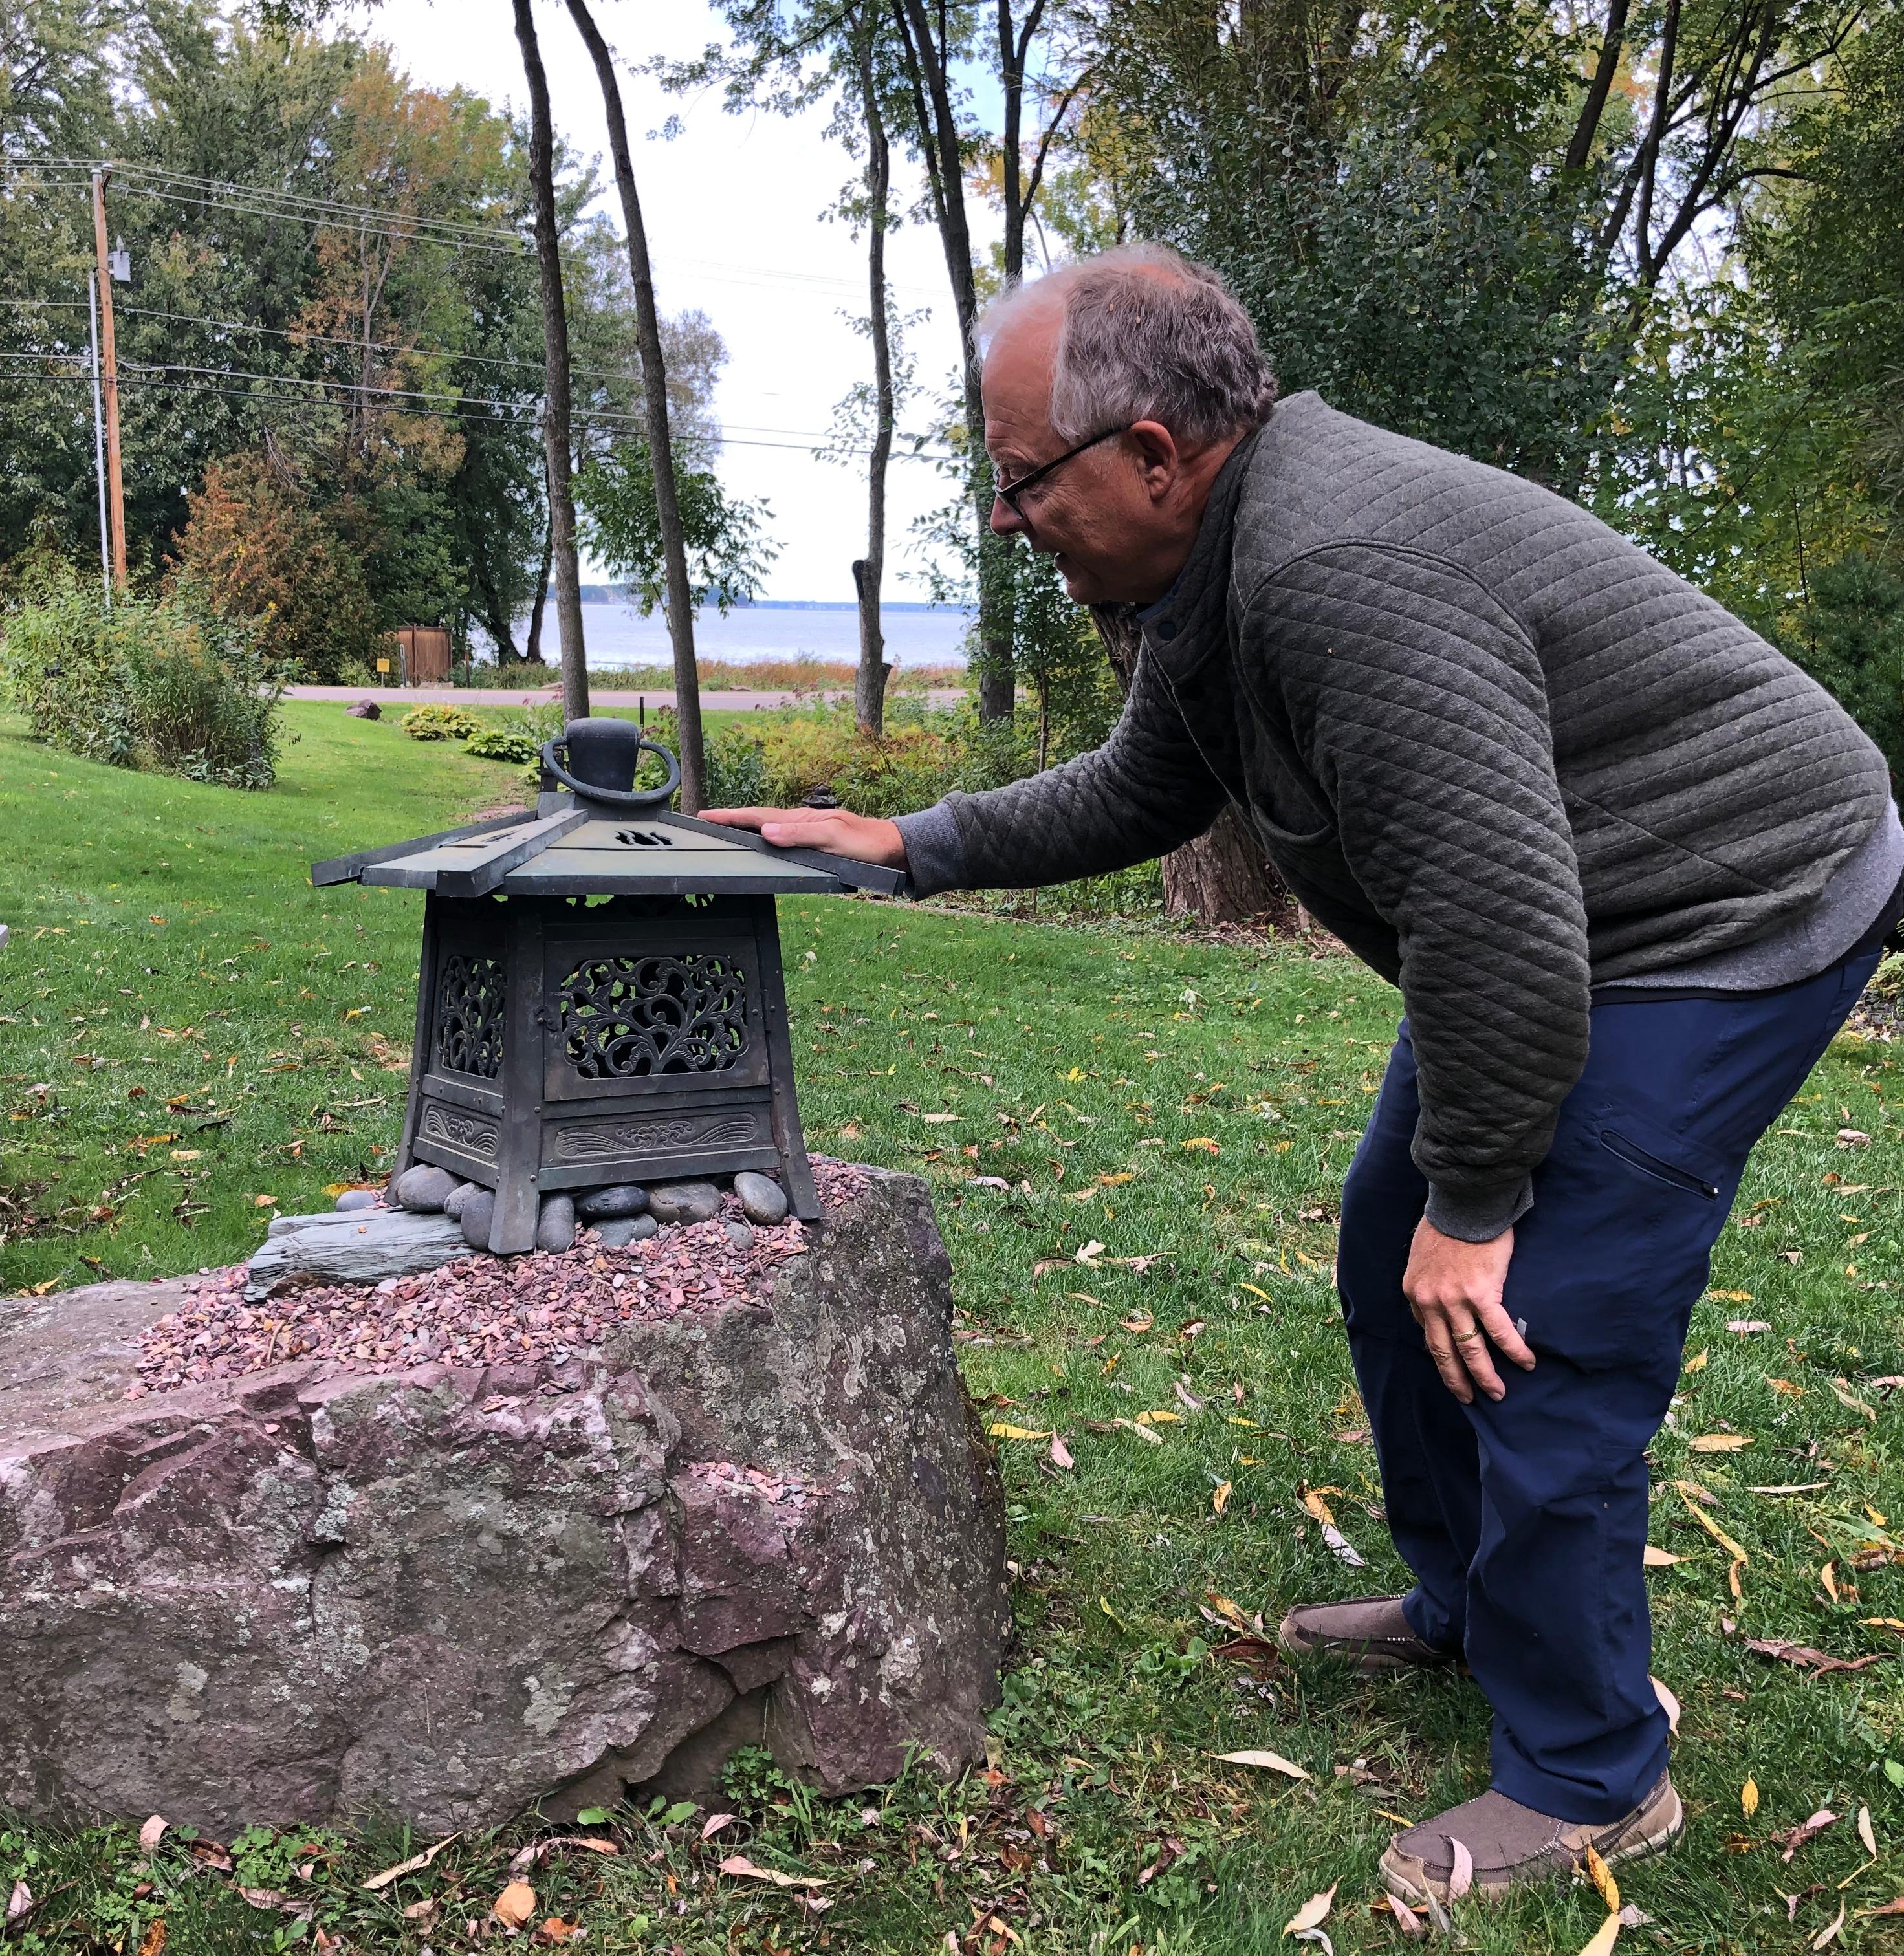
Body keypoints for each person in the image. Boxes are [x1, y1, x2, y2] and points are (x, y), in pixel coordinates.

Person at [705, 243, 1904, 1900]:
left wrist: (1483, 1204)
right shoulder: (1220, 560)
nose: (1007, 516)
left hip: (1725, 903)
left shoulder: (1338, 566)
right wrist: (911, 838)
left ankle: (1590, 1775)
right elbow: (1152, 787)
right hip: (1565, 921)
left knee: (1531, 1317)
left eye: (1021, 478)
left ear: (1152, 455)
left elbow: (1501, 926)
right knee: (1383, 1238)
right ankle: (1470, 1602)